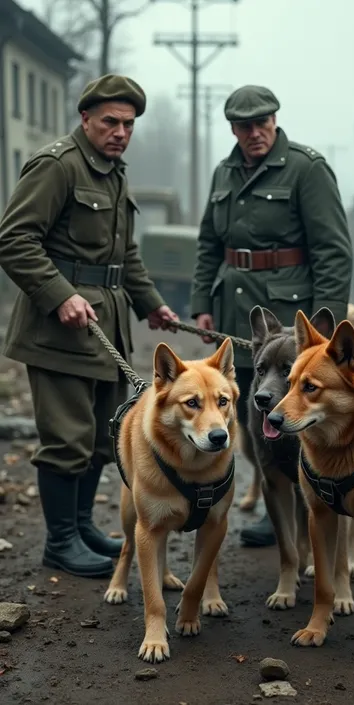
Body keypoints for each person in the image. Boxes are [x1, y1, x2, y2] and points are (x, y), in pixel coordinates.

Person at [0, 74, 179, 577]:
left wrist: (152, 305)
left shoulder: (113, 173)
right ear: (85, 119)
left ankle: (80, 527)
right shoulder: (59, 166)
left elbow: (125, 256)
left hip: (106, 328)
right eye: (110, 122)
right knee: (67, 440)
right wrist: (60, 295)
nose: (121, 131)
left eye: (128, 124)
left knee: (102, 437)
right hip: (57, 331)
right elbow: (14, 239)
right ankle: (60, 541)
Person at [190, 84, 353, 548]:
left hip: (291, 317)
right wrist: (203, 302)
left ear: (275, 120)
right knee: (248, 413)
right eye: (245, 126)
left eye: (263, 123)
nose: (256, 133)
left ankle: (314, 504)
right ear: (234, 129)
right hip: (237, 315)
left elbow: (333, 251)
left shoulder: (306, 168)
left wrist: (326, 332)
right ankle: (271, 503)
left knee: (298, 415)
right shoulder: (224, 172)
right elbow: (208, 243)